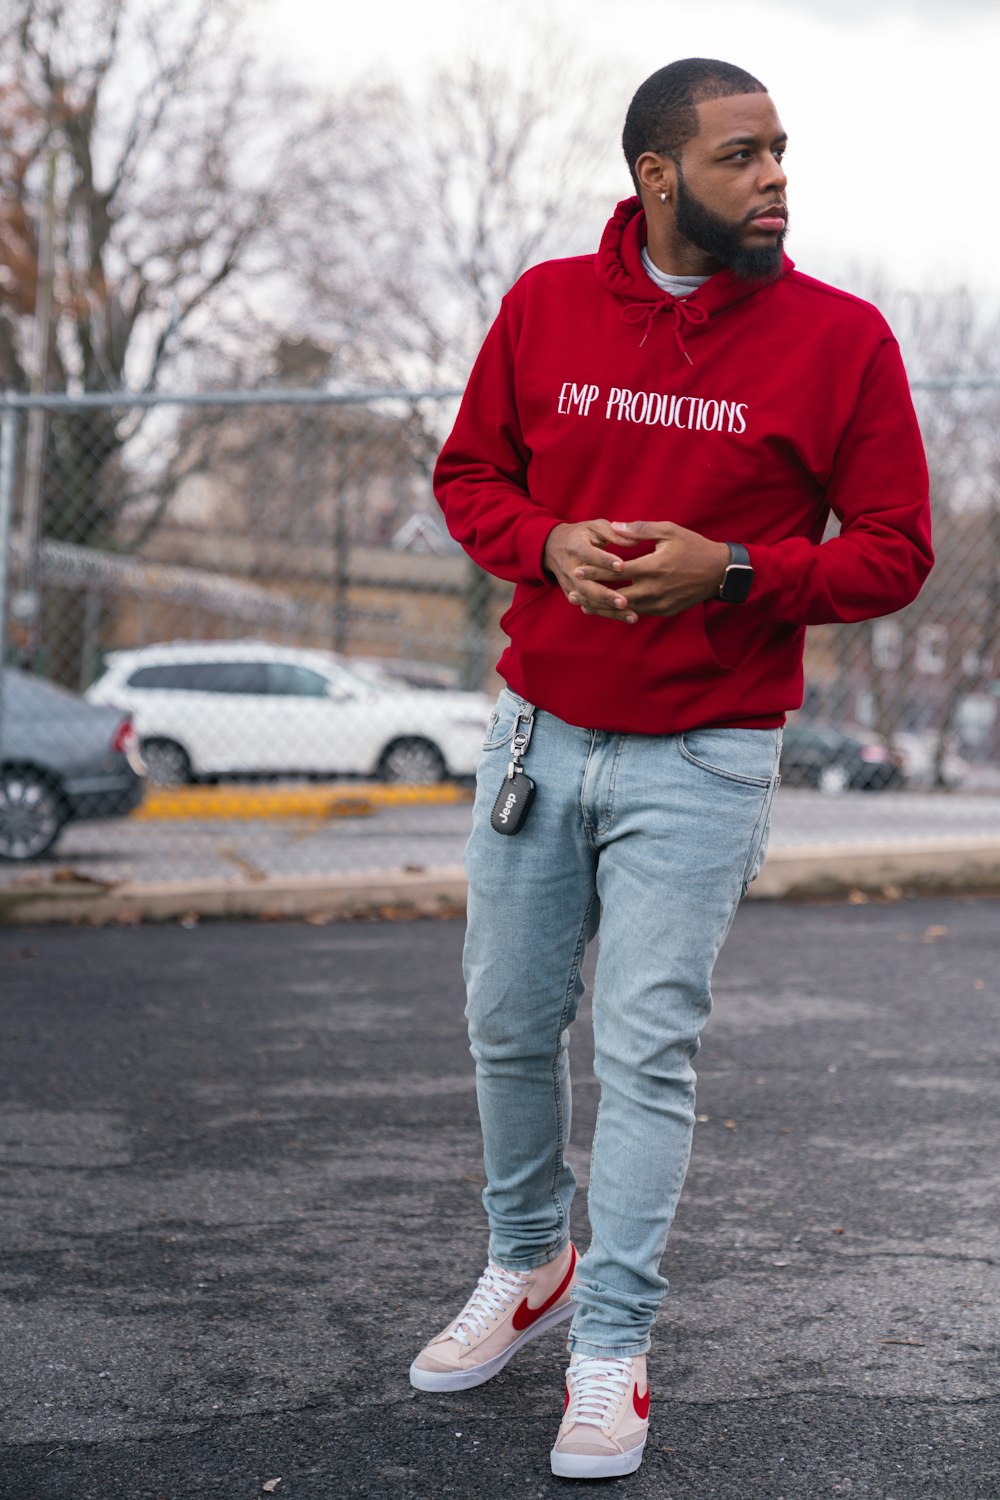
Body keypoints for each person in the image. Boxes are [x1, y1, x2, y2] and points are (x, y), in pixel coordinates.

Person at [409, 57, 933, 1481]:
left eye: (781, 153)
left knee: (643, 1048)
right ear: (657, 177)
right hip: (536, 732)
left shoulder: (844, 340)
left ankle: (612, 1347)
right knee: (509, 1025)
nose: (775, 178)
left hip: (705, 755)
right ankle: (531, 1269)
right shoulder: (544, 307)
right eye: (743, 155)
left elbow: (895, 547)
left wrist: (742, 569)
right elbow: (470, 478)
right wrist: (544, 544)